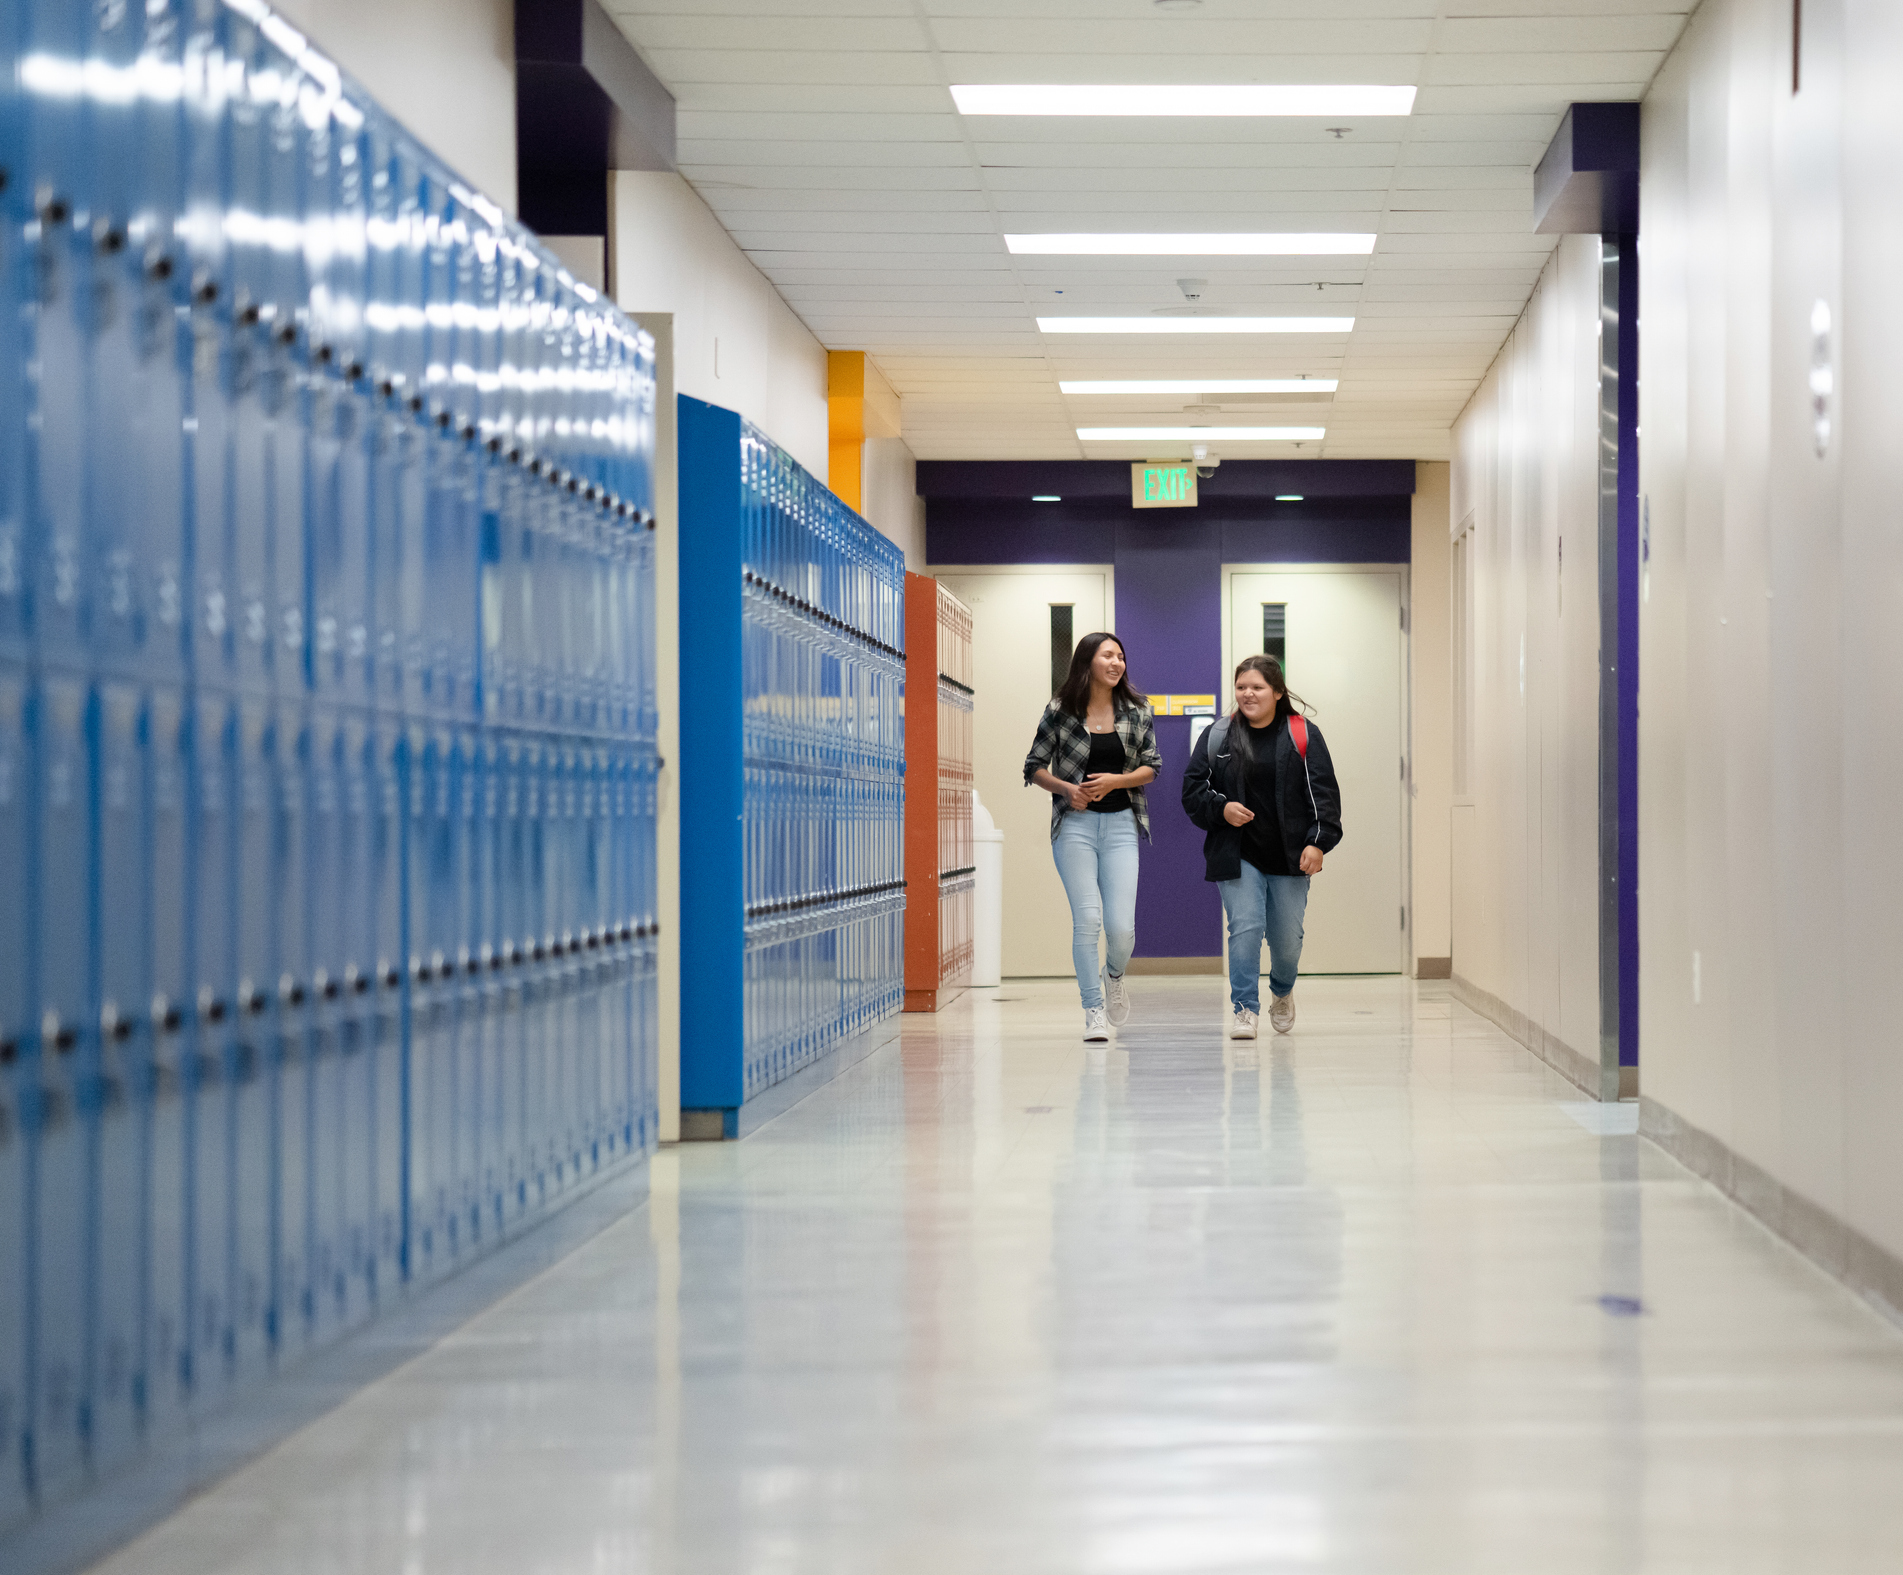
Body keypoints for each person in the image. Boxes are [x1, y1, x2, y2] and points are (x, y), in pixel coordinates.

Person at [1181, 655, 1343, 1040]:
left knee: (1287, 940)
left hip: (1290, 854)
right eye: (1241, 687)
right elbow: (1192, 792)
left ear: (1277, 692)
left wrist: (1318, 843)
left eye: (1257, 687)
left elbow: (1323, 795)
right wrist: (1222, 808)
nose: (1247, 694)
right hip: (1237, 853)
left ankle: (1282, 991)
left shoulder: (1303, 733)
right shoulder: (1218, 735)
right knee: (1246, 928)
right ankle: (1244, 1009)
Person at [1022, 633, 1162, 1042]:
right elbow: (1033, 766)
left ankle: (1114, 974)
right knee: (1087, 920)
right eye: (1108, 656)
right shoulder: (1060, 711)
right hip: (1075, 828)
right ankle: (1093, 1011)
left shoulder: (1137, 711)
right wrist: (1067, 789)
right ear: (1088, 662)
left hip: (1120, 825)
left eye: (1121, 656)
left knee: (1121, 928)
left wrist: (1118, 781)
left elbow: (1153, 766)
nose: (1117, 663)